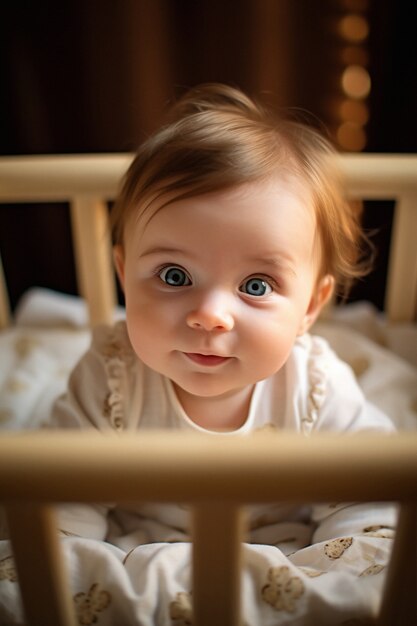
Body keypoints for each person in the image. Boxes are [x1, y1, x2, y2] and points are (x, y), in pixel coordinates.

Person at [48, 84, 396, 623]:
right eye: (174, 275)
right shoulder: (110, 378)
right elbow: (56, 519)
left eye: (256, 285)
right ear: (123, 274)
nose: (210, 314)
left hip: (289, 569)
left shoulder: (316, 386)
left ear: (311, 305)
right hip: (133, 566)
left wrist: (308, 590)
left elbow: (373, 509)